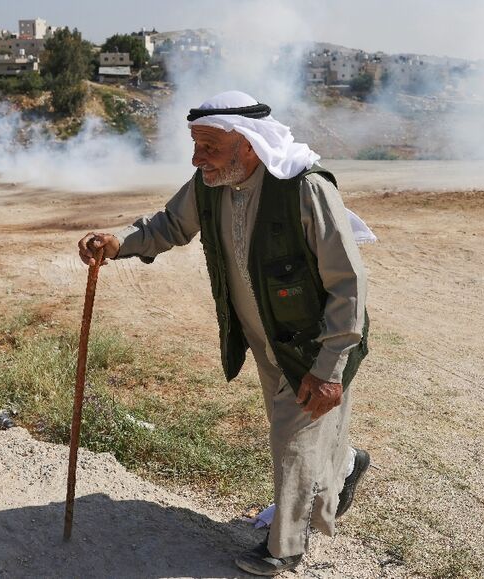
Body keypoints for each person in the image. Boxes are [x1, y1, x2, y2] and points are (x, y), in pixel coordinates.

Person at [78, 91, 371, 575]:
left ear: (250, 145)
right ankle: (344, 468)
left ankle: (286, 547)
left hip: (313, 343)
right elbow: (170, 225)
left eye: (209, 146)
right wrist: (117, 243)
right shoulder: (210, 183)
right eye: (195, 146)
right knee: (309, 435)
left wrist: (330, 369)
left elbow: (349, 283)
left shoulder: (306, 190)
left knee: (292, 441)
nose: (197, 159)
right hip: (264, 341)